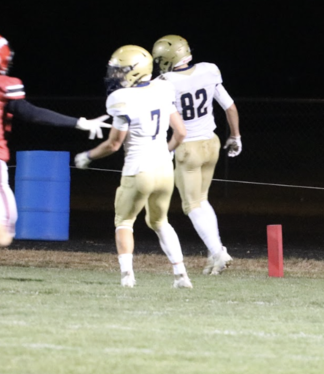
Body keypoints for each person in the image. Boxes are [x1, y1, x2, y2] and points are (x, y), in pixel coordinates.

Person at [0, 30, 109, 297]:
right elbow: (31, 114)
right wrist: (79, 122)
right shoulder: (0, 83)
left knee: (0, 223)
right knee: (4, 233)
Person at [74, 45, 192, 289]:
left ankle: (128, 277)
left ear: (135, 71)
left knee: (124, 222)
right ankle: (181, 275)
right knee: (160, 222)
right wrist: (164, 153)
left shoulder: (121, 98)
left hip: (139, 170)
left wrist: (87, 156)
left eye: (121, 71)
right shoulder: (163, 89)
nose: (116, 76)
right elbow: (180, 133)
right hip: (164, 169)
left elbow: (114, 144)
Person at [151, 35, 241, 275]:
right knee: (202, 199)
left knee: (191, 204)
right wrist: (236, 136)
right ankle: (215, 251)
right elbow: (229, 106)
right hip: (211, 143)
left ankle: (218, 253)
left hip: (187, 146)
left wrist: (164, 149)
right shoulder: (208, 70)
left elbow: (160, 120)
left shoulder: (164, 82)